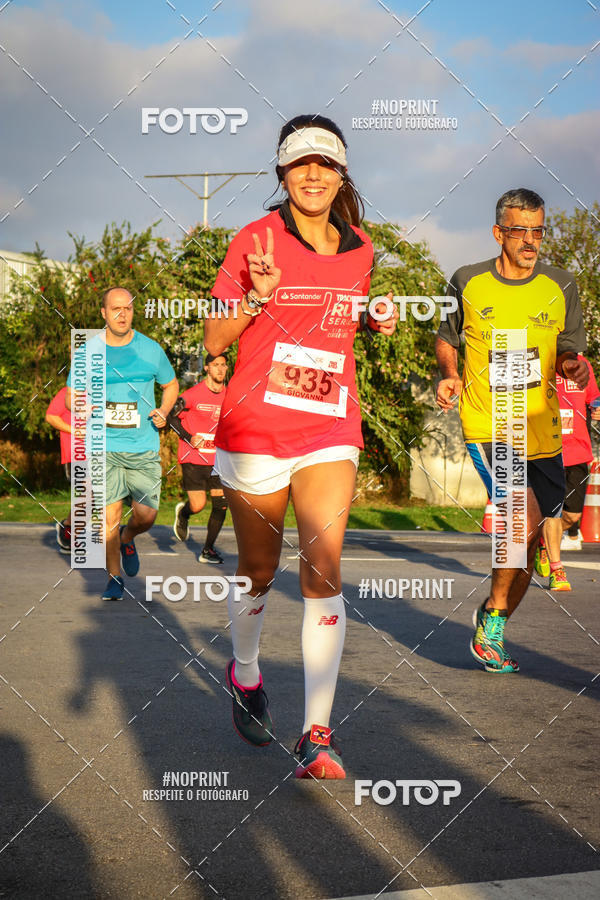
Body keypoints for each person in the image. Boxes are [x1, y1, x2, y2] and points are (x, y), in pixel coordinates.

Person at [204, 114, 398, 779]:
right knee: (258, 571)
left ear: (341, 174)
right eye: (300, 163)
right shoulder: (254, 239)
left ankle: (317, 733)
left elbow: (338, 318)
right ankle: (246, 672)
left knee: (323, 567)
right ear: (282, 173)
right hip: (256, 428)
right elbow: (214, 339)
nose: (313, 174)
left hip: (329, 426)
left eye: (325, 163)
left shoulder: (361, 248)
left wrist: (373, 317)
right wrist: (256, 298)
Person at [436, 188, 588, 673]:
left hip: (542, 432)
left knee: (530, 542)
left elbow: (569, 349)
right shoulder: (468, 280)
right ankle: (493, 630)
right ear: (498, 232)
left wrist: (573, 365)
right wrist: (449, 373)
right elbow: (446, 337)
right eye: (519, 230)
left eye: (538, 231)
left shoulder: (561, 284)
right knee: (519, 522)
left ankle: (494, 615)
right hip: (490, 424)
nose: (530, 240)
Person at [66, 287, 178, 600]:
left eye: (127, 308)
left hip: (142, 445)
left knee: (147, 515)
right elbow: (71, 395)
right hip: (103, 445)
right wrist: (81, 406)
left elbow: (171, 384)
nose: (122, 314)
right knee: (109, 517)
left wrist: (164, 410)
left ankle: (129, 537)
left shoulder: (150, 349)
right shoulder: (88, 351)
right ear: (103, 313)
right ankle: (114, 578)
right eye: (115, 308)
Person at [536, 355, 600, 589]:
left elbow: (594, 396)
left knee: (572, 516)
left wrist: (597, 407)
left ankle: (543, 540)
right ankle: (557, 570)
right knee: (552, 512)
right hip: (547, 450)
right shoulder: (541, 360)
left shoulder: (582, 364)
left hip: (578, 451)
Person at [169, 352, 229, 564]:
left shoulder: (230, 396)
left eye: (223, 365)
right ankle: (184, 514)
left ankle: (207, 550)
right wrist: (189, 437)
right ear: (206, 368)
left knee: (221, 504)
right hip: (193, 458)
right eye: (216, 365)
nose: (220, 369)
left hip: (218, 460)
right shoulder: (192, 395)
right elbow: (171, 417)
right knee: (198, 505)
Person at [45, 384, 73, 554]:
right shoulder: (67, 392)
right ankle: (68, 528)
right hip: (76, 454)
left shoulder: (106, 391)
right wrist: (76, 431)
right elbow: (51, 416)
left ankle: (70, 528)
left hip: (104, 454)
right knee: (88, 495)